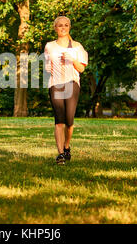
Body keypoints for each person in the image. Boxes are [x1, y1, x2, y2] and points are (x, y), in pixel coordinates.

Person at [44, 16, 88, 165]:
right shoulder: (49, 46)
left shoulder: (77, 46)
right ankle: (60, 154)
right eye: (60, 25)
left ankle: (67, 146)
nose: (63, 27)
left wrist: (72, 59)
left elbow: (81, 68)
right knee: (59, 121)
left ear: (69, 27)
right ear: (55, 28)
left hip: (72, 83)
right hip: (55, 84)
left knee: (69, 121)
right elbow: (47, 67)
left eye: (66, 25)